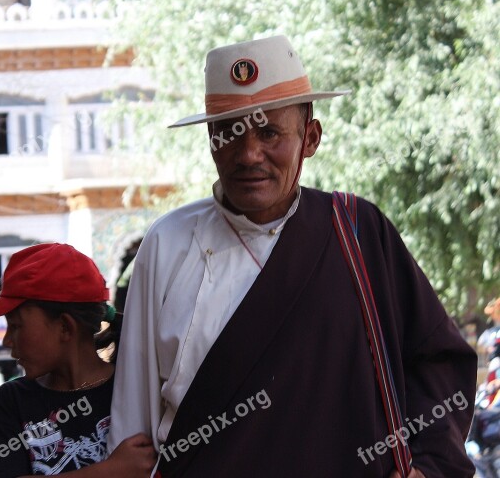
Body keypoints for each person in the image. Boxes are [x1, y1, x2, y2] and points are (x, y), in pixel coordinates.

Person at [107, 35, 478, 477]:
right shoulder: (168, 244)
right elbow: (134, 419)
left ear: (310, 137)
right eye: (229, 133)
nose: (249, 155)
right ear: (210, 140)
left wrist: (429, 468)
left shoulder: (358, 233)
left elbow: (439, 364)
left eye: (269, 133)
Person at [0, 243, 155, 477]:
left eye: (16, 326)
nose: (7, 340)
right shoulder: (12, 402)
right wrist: (111, 471)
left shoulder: (138, 390)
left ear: (64, 327)